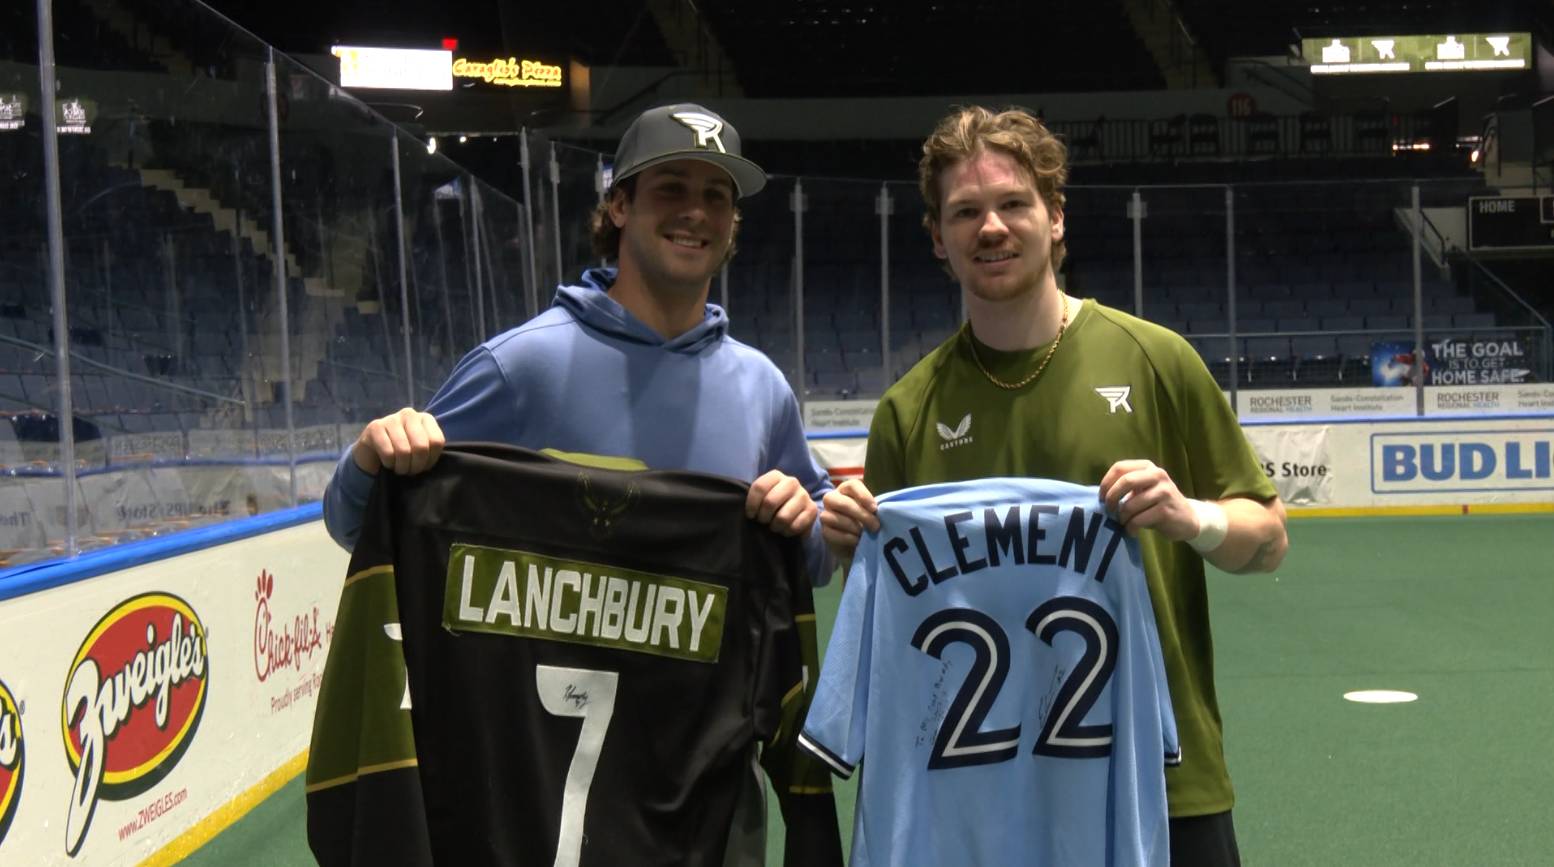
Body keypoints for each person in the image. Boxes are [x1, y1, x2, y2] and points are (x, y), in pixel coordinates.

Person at [319, 103, 840, 866]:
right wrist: (372, 457)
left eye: (717, 195)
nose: (696, 211)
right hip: (536, 798)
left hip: (707, 799)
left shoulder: (762, 389)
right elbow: (358, 521)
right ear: (619, 205)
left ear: (733, 223)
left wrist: (810, 520)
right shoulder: (520, 367)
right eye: (670, 188)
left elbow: (815, 559)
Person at [818, 105, 1288, 866]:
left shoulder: (1156, 361)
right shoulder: (909, 410)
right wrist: (848, 546)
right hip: (980, 802)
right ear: (937, 237)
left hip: (1161, 782)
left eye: (1013, 203)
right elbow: (892, 616)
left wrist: (1189, 517)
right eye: (964, 212)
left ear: (1056, 217)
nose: (991, 227)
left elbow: (1268, 542)